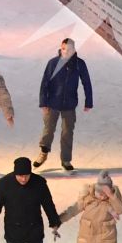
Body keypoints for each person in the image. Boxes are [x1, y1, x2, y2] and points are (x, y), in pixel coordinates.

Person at [37, 38, 94, 171]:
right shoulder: (53, 63)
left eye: (68, 49)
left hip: (69, 104)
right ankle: (43, 153)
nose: (65, 51)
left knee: (67, 132)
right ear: (60, 48)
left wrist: (89, 102)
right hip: (52, 103)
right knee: (48, 129)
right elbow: (44, 83)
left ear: (73, 49)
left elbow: (87, 83)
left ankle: (66, 160)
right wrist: (43, 102)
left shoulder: (79, 64)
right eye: (63, 49)